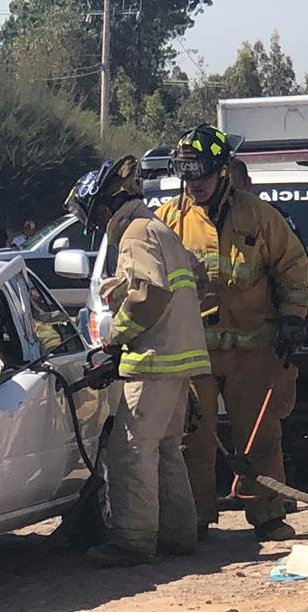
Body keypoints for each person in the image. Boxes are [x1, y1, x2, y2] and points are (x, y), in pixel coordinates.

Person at [156, 124, 308, 542]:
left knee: (261, 436)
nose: (195, 184)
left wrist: (293, 318)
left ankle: (269, 514)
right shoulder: (168, 221)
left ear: (223, 171)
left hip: (254, 350)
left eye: (202, 174)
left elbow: (294, 267)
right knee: (193, 438)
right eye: (186, 174)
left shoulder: (259, 217)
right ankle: (194, 519)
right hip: (194, 353)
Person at [65, 156, 208, 566]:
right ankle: (177, 533)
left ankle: (132, 539)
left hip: (154, 362)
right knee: (166, 449)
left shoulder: (135, 233)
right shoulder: (158, 227)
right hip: (177, 361)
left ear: (108, 206)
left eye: (95, 214)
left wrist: (116, 336)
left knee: (131, 449)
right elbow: (197, 277)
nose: (97, 223)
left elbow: (150, 294)